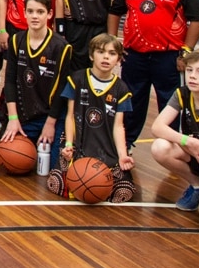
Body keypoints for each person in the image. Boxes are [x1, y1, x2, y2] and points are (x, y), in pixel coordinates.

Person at [107, 0, 199, 150]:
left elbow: (197, 18)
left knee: (172, 102)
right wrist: (114, 41)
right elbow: (115, 11)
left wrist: (186, 52)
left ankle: (177, 146)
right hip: (134, 57)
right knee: (132, 101)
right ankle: (126, 143)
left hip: (168, 58)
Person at [48, 33, 135, 203]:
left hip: (105, 147)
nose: (106, 57)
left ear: (118, 59)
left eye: (111, 53)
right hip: (79, 144)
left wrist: (123, 155)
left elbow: (118, 126)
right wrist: (67, 145)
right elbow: (70, 116)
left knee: (124, 191)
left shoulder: (121, 88)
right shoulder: (77, 79)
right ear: (91, 55)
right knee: (56, 183)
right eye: (101, 52)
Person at [2, 0, 71, 168]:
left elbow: (62, 90)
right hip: (25, 115)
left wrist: (51, 123)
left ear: (50, 14)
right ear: (23, 13)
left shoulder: (61, 47)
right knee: (11, 156)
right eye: (30, 11)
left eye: (40, 12)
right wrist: (13, 118)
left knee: (55, 166)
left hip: (51, 114)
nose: (35, 16)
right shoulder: (16, 40)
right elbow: (9, 81)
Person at [151, 48, 199, 215]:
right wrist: (186, 140)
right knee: (160, 147)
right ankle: (197, 184)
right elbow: (157, 127)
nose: (192, 76)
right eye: (189, 70)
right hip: (198, 157)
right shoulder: (182, 94)